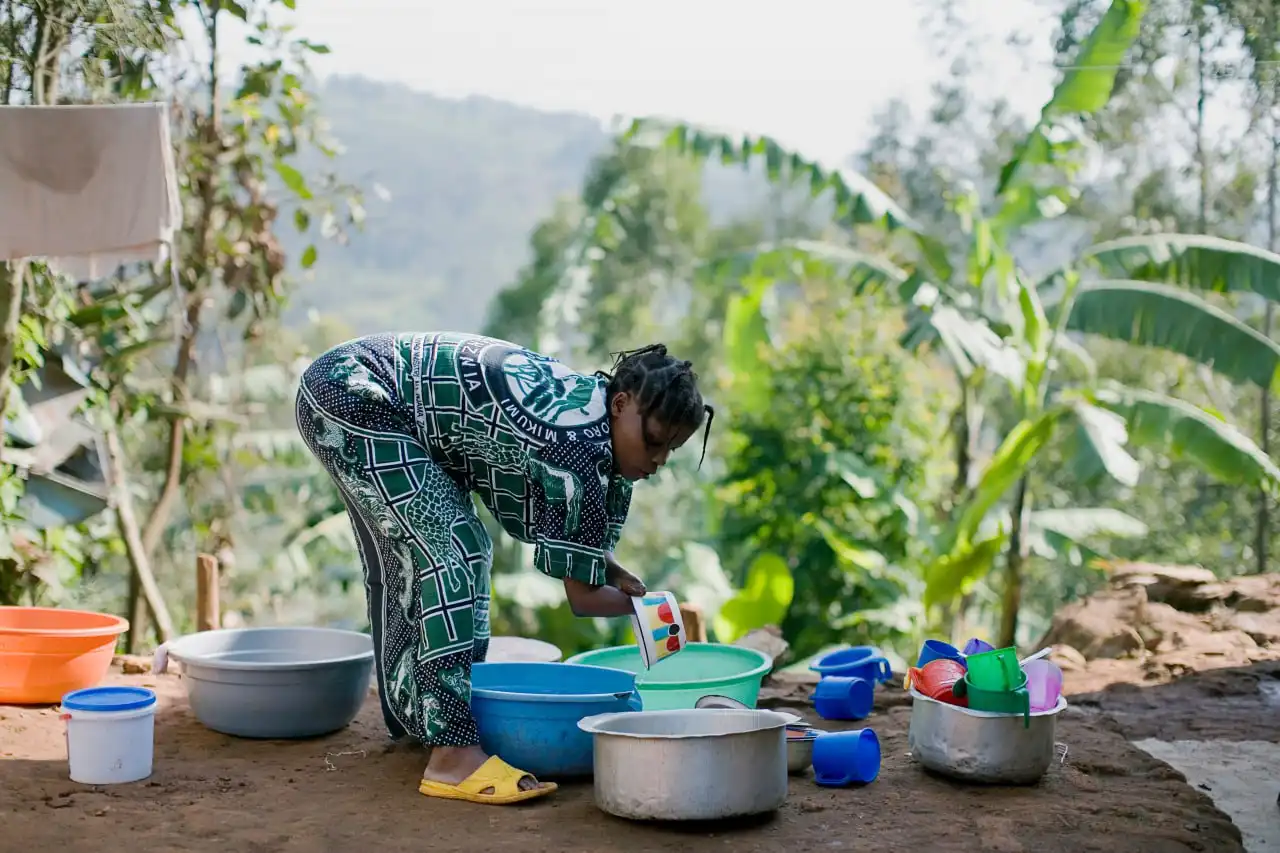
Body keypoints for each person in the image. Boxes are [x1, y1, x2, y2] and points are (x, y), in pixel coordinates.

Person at [295, 332, 712, 805]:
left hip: (378, 401)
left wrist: (611, 569)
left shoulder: (597, 432)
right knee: (452, 548)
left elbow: (584, 552)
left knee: (444, 553)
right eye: (654, 441)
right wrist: (654, 610)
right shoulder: (578, 446)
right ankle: (451, 755)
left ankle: (430, 720)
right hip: (354, 393)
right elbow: (582, 599)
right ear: (620, 404)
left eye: (669, 450)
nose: (657, 461)